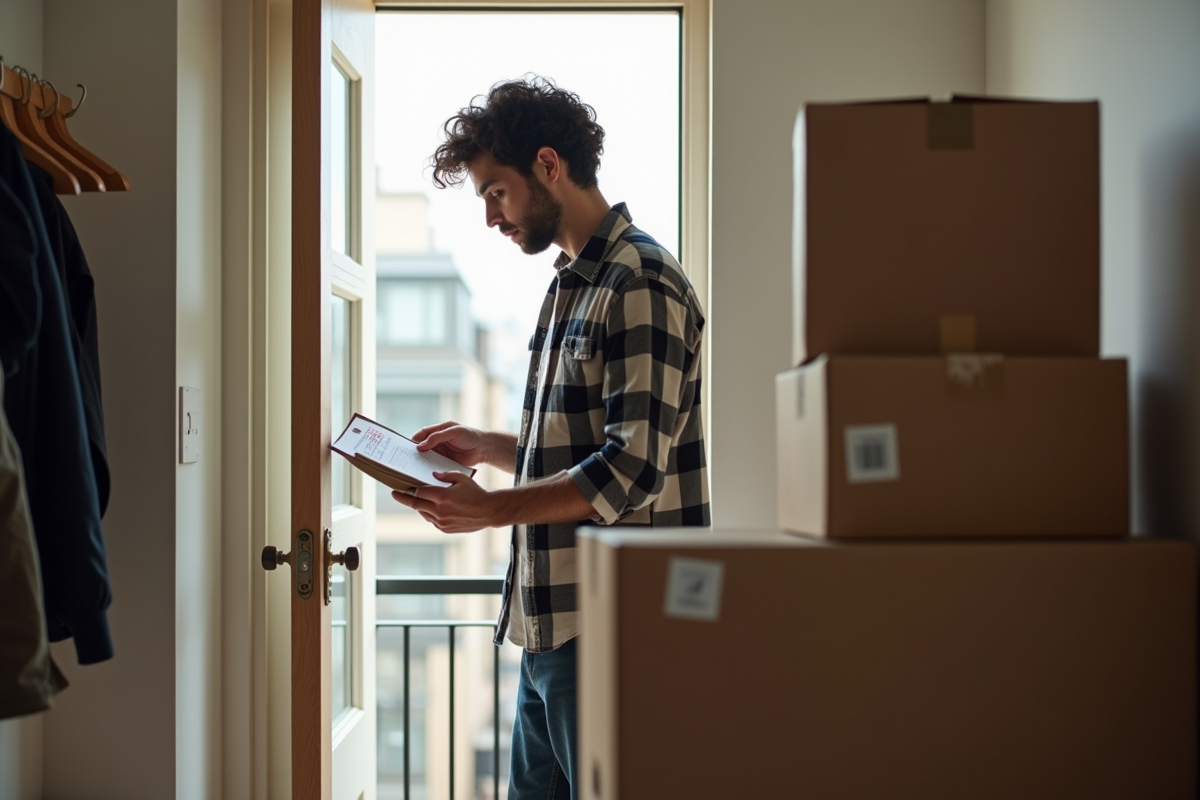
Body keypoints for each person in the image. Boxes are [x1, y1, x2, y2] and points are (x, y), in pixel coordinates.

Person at [390, 75, 710, 800]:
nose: (490, 218)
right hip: (547, 627)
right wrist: (490, 445)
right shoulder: (573, 282)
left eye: (495, 192)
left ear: (547, 166)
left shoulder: (643, 283)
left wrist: (488, 509)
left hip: (613, 631)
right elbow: (585, 439)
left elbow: (629, 470)